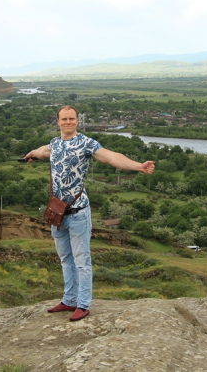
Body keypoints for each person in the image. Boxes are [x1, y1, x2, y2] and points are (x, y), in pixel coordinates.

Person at [24, 105, 155, 321]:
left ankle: (83, 304)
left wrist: (138, 166)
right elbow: (42, 151)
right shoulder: (55, 144)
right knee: (65, 258)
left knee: (81, 260)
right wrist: (31, 155)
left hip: (77, 213)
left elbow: (112, 156)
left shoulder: (85, 143)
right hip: (58, 213)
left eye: (71, 119)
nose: (68, 122)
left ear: (77, 121)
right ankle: (69, 300)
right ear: (57, 121)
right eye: (64, 119)